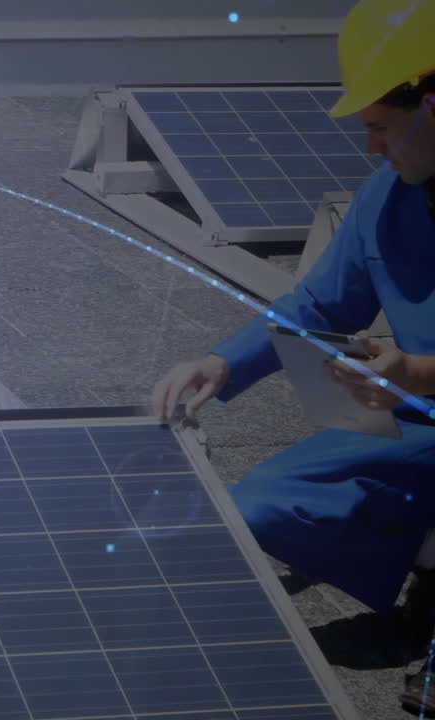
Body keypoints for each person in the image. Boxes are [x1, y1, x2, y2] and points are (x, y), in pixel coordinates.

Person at [148, 0, 435, 712]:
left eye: (380, 126)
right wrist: (222, 363)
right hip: (420, 425)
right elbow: (320, 308)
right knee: (260, 506)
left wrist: (415, 374)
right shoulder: (390, 197)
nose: (370, 145)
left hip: (418, 400)